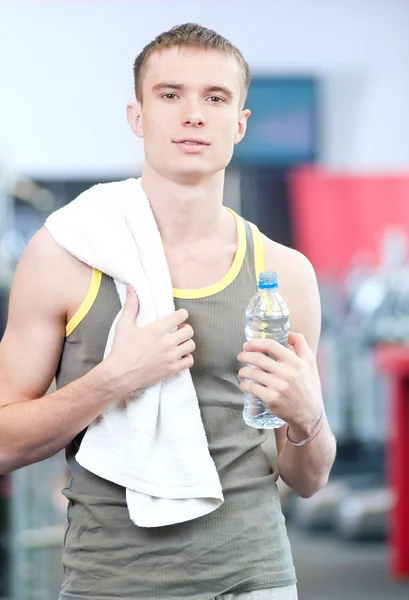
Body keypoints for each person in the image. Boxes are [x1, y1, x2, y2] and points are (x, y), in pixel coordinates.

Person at [0, 23, 336, 600]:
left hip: (254, 578)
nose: (193, 115)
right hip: (109, 582)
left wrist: (308, 420)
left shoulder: (286, 277)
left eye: (215, 97)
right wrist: (113, 379)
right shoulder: (65, 255)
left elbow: (307, 480)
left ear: (239, 124)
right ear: (138, 117)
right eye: (170, 94)